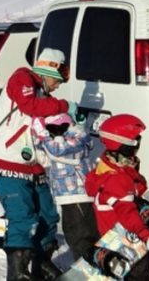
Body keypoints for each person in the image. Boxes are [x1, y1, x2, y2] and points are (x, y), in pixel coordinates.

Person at [0, 47, 75, 281]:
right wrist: (64, 106)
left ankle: (42, 266)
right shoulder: (22, 78)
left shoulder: (44, 96)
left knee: (48, 215)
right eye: (57, 81)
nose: (57, 87)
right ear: (47, 72)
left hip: (33, 164)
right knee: (23, 218)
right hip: (7, 160)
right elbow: (29, 106)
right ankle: (17, 274)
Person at [85, 114, 149, 281]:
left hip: (113, 238)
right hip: (126, 237)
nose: (137, 148)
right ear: (123, 145)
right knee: (141, 272)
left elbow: (136, 193)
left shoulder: (107, 169)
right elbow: (126, 210)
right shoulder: (117, 178)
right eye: (135, 144)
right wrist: (143, 232)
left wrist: (133, 173)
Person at [31, 112, 100, 262]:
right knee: (73, 233)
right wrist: (39, 139)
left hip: (78, 195)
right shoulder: (59, 141)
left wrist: (43, 135)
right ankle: (86, 261)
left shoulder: (78, 137)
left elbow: (57, 150)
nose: (49, 133)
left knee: (81, 235)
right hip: (67, 197)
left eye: (51, 129)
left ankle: (88, 264)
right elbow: (45, 158)